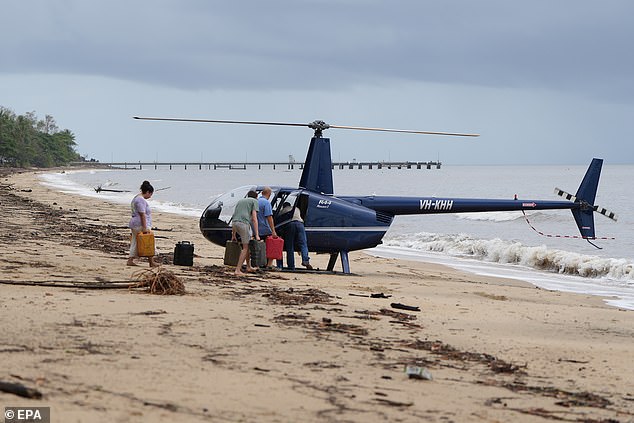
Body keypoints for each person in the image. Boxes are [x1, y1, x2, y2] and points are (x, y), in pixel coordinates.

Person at [127, 180, 158, 267]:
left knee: (135, 242)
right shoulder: (140, 200)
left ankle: (130, 260)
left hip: (135, 223)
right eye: (150, 194)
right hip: (140, 224)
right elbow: (142, 214)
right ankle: (151, 262)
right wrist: (145, 227)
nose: (150, 196)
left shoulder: (136, 198)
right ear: (147, 192)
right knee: (148, 241)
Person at [231, 190, 260, 276]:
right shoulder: (254, 201)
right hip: (243, 224)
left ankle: (248, 266)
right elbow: (254, 218)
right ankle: (237, 270)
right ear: (256, 197)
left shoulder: (240, 201)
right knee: (245, 248)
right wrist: (257, 234)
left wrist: (233, 234)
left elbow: (235, 215)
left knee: (245, 245)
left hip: (235, 223)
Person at [280, 202, 312, 270]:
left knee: (290, 246)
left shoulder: (283, 211)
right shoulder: (296, 208)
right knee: (303, 244)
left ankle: (291, 266)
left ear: (283, 206)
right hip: (300, 224)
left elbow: (280, 222)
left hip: (290, 225)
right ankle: (305, 260)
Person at [257, 187, 279, 268]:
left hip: (256, 229)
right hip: (265, 228)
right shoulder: (266, 203)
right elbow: (269, 217)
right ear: (269, 194)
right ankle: (269, 264)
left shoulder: (256, 201)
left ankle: (258, 262)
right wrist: (273, 231)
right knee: (271, 246)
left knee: (258, 247)